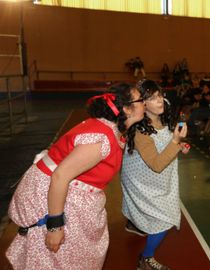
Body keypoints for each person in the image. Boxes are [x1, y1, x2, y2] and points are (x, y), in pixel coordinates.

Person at [6, 83, 145, 269]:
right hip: (50, 195)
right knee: (57, 257)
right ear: (127, 109)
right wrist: (55, 226)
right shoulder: (101, 139)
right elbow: (60, 177)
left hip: (66, 191)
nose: (144, 103)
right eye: (140, 100)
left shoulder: (109, 129)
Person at [121, 79, 188, 270]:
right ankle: (146, 258)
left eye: (159, 95)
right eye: (151, 98)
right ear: (142, 103)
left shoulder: (162, 117)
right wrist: (175, 141)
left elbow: (164, 144)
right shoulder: (141, 131)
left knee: (153, 211)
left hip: (158, 178)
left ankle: (135, 222)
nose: (159, 101)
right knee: (166, 218)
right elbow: (157, 164)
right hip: (143, 180)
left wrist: (178, 145)